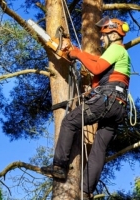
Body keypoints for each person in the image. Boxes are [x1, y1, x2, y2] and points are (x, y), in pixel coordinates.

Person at [41, 16, 131, 199]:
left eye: (104, 35)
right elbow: (102, 70)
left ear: (114, 35)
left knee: (70, 121)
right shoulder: (121, 55)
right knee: (99, 149)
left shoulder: (116, 49)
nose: (101, 39)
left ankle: (59, 166)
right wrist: (76, 52)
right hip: (118, 107)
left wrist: (77, 53)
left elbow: (96, 68)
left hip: (108, 100)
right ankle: (86, 191)